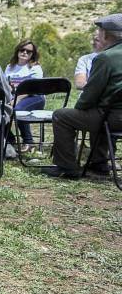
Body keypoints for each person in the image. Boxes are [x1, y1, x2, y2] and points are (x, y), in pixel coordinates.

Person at [46, 14, 122, 179]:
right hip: (112, 114)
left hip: (113, 117)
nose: (99, 34)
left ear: (106, 35)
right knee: (99, 114)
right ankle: (99, 164)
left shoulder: (105, 58)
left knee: (62, 116)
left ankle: (67, 167)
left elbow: (90, 94)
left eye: (100, 31)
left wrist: (80, 109)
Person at [4, 40, 44, 150]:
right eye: (22, 50)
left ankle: (28, 141)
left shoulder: (35, 68)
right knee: (0, 109)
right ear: (17, 51)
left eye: (29, 51)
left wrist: (16, 100)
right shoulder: (9, 67)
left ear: (33, 54)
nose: (25, 53)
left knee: (18, 110)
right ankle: (9, 139)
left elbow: (32, 89)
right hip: (14, 97)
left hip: (34, 97)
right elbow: (6, 85)